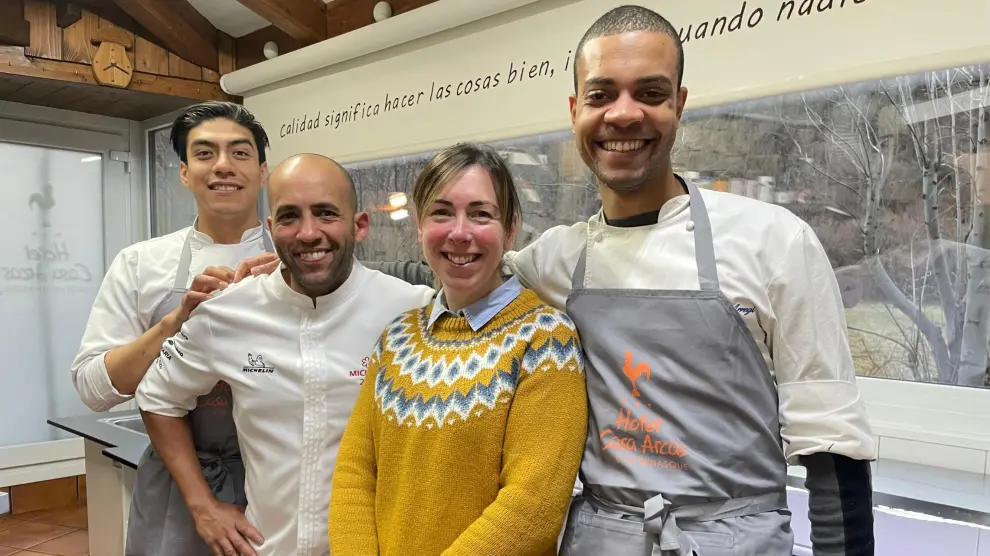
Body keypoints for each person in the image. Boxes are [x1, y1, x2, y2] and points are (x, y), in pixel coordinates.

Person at [236, 6, 878, 555]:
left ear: (680, 104)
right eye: (602, 95)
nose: (623, 115)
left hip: (730, 535)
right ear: (576, 110)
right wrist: (296, 269)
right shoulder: (560, 257)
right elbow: (459, 271)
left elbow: (831, 440)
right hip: (600, 535)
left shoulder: (775, 241)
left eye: (650, 93)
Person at [135, 153, 435, 556]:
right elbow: (156, 396)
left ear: (359, 225)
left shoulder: (413, 310)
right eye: (290, 216)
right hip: (267, 547)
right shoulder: (226, 312)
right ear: (272, 229)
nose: (308, 233)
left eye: (326, 213)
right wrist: (202, 505)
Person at [328, 142, 589, 556]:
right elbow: (354, 474)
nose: (459, 232)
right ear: (419, 225)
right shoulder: (396, 340)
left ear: (511, 228)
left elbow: (533, 505)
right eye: (442, 212)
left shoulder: (544, 340)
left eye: (481, 214)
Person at [69, 101, 277, 556]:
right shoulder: (141, 263)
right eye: (205, 154)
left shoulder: (294, 262)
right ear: (184, 172)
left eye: (240, 153)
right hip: (178, 486)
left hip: (279, 476)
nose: (223, 166)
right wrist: (175, 320)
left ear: (263, 173)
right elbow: (93, 388)